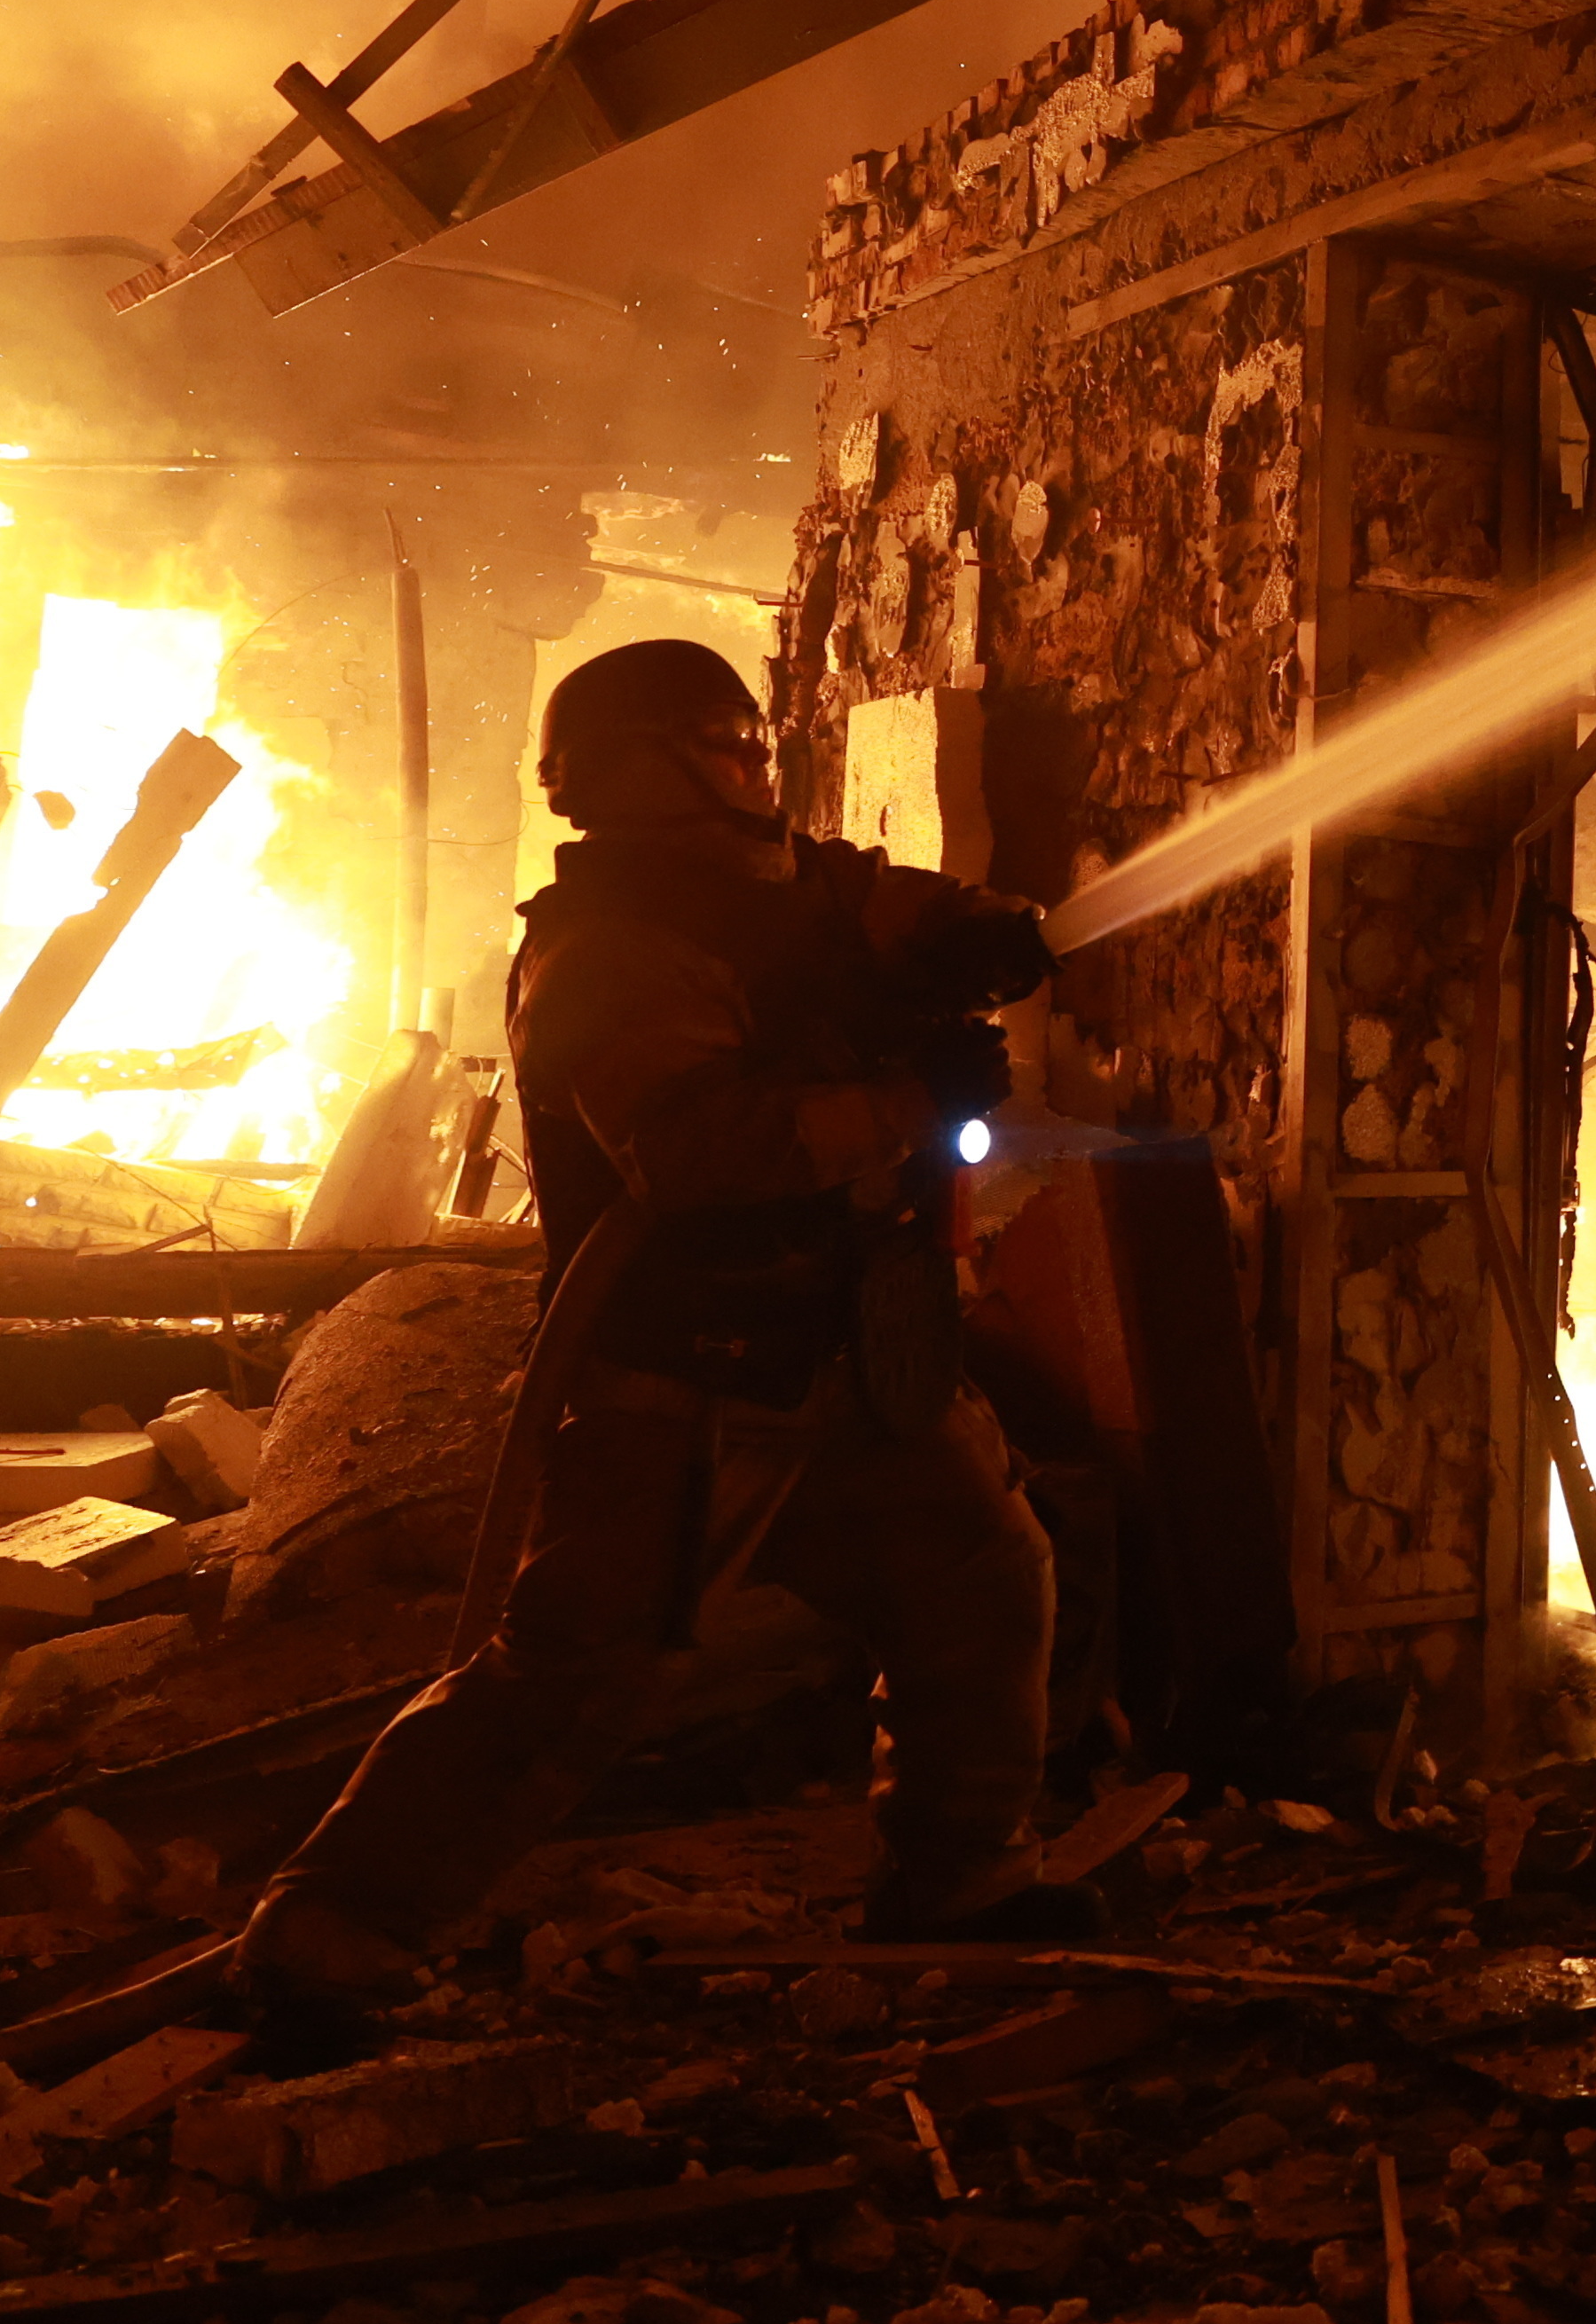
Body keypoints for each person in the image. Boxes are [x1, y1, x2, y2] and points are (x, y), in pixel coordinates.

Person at [237, 638, 1078, 2011]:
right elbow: (699, 1160)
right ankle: (331, 1935)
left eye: (753, 739)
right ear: (644, 768)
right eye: (727, 743)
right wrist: (911, 1099)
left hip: (854, 1358)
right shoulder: (608, 957)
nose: (758, 762)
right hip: (687, 1386)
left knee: (984, 1587)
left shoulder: (787, 887)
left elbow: (888, 913)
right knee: (570, 1684)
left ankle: (963, 1881)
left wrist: (979, 929)